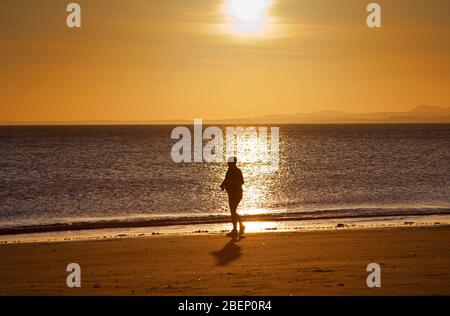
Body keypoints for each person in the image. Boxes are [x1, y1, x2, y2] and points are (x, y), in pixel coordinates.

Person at [220, 156, 245, 237]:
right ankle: (240, 226)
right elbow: (226, 179)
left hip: (237, 193)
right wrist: (222, 185)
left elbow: (242, 182)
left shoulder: (238, 171)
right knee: (233, 211)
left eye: (229, 162)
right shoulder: (229, 171)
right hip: (231, 193)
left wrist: (232, 182)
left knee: (233, 211)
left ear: (233, 163)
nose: (227, 163)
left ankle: (235, 230)